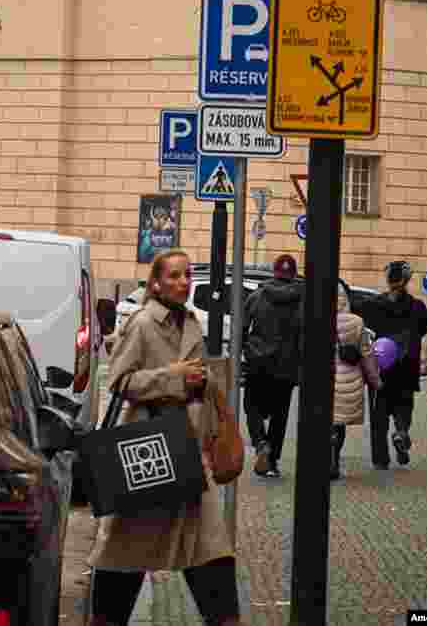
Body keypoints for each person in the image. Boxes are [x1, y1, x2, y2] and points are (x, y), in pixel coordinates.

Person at [89, 248, 242, 626]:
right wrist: (173, 377)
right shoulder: (141, 324)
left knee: (212, 550)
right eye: (174, 276)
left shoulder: (191, 321)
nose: (184, 282)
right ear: (156, 282)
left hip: (189, 455)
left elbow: (197, 381)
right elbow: (119, 381)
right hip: (148, 454)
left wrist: (205, 389)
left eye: (187, 274)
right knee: (124, 555)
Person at [358, 260, 427, 468]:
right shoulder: (417, 306)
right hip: (406, 367)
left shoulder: (372, 305)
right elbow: (424, 328)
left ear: (387, 279)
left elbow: (365, 332)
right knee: (403, 407)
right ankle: (401, 432)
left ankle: (381, 460)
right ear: (406, 280)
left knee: (378, 415)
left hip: (379, 367)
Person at [242, 254, 304, 478]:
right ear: (293, 274)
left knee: (252, 406)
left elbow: (241, 327)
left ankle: (260, 443)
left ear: (274, 272)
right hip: (287, 367)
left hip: (258, 363)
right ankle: (273, 462)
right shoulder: (302, 299)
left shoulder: (257, 296)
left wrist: (245, 352)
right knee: (280, 414)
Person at [331, 279, 380, 480]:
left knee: (324, 422)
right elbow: (366, 353)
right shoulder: (357, 322)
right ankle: (334, 457)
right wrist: (375, 380)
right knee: (339, 423)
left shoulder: (316, 317)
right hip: (348, 380)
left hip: (324, 378)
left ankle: (326, 457)